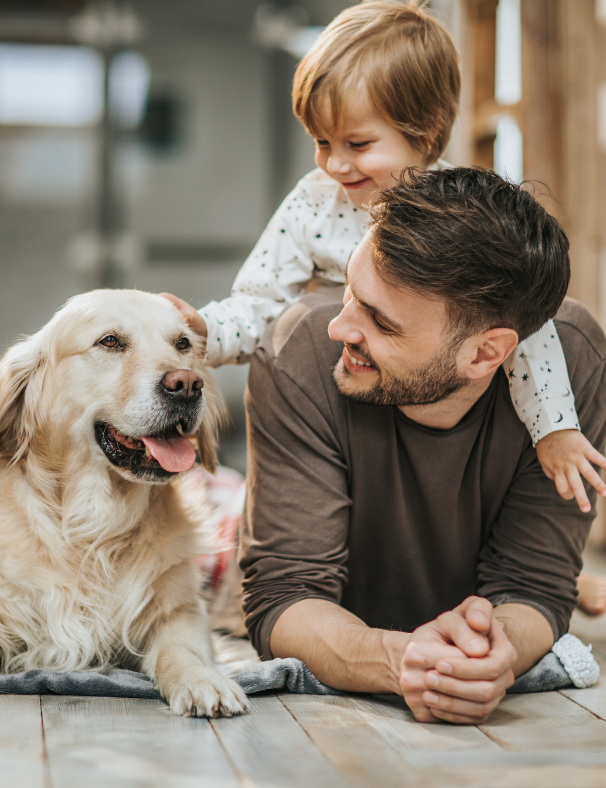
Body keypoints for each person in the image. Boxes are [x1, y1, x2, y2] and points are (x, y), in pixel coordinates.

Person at [164, 0, 606, 616]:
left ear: (423, 134)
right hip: (353, 413)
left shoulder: (463, 222)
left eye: (357, 143)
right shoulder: (316, 202)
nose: (333, 162)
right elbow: (260, 300)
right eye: (321, 141)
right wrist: (203, 333)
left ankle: (561, 580)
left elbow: (527, 331)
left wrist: (554, 427)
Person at [240, 166, 606, 724]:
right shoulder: (301, 354)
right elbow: (284, 595)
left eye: (381, 323)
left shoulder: (576, 364)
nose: (341, 328)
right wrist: (401, 659)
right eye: (350, 290)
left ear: (487, 354)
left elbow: (533, 586)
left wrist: (494, 652)